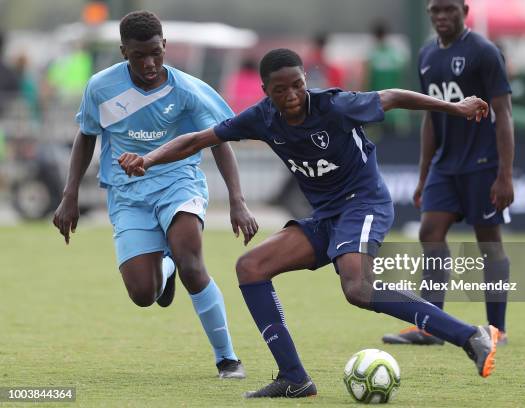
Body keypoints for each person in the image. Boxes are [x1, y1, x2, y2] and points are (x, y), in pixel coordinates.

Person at [119, 48, 500, 399]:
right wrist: (148, 160)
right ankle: (294, 378)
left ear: (306, 80)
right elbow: (199, 139)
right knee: (250, 267)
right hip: (326, 217)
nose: (292, 95)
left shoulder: (334, 105)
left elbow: (394, 96)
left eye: (298, 85)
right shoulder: (262, 118)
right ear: (266, 90)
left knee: (357, 287)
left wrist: (456, 107)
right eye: (280, 89)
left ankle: (469, 335)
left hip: (363, 204)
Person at [52, 11, 257, 379]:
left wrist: (237, 200)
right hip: (128, 194)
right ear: (123, 52)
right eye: (138, 56)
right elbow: (86, 135)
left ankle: (227, 359)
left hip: (179, 182)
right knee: (143, 294)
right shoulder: (100, 87)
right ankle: (166, 268)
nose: (149, 63)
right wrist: (69, 195)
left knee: (192, 262)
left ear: (164, 46)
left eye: (155, 53)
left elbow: (219, 140)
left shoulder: (187, 90)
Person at [382, 0, 514, 346]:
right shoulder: (426, 55)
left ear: (464, 10)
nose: (441, 17)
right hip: (445, 165)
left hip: (482, 165)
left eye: (449, 10)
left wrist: (505, 174)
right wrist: (424, 174)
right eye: (435, 11)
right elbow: (430, 116)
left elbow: (504, 114)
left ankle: (497, 328)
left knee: (489, 244)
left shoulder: (484, 52)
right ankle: (431, 327)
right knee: (430, 231)